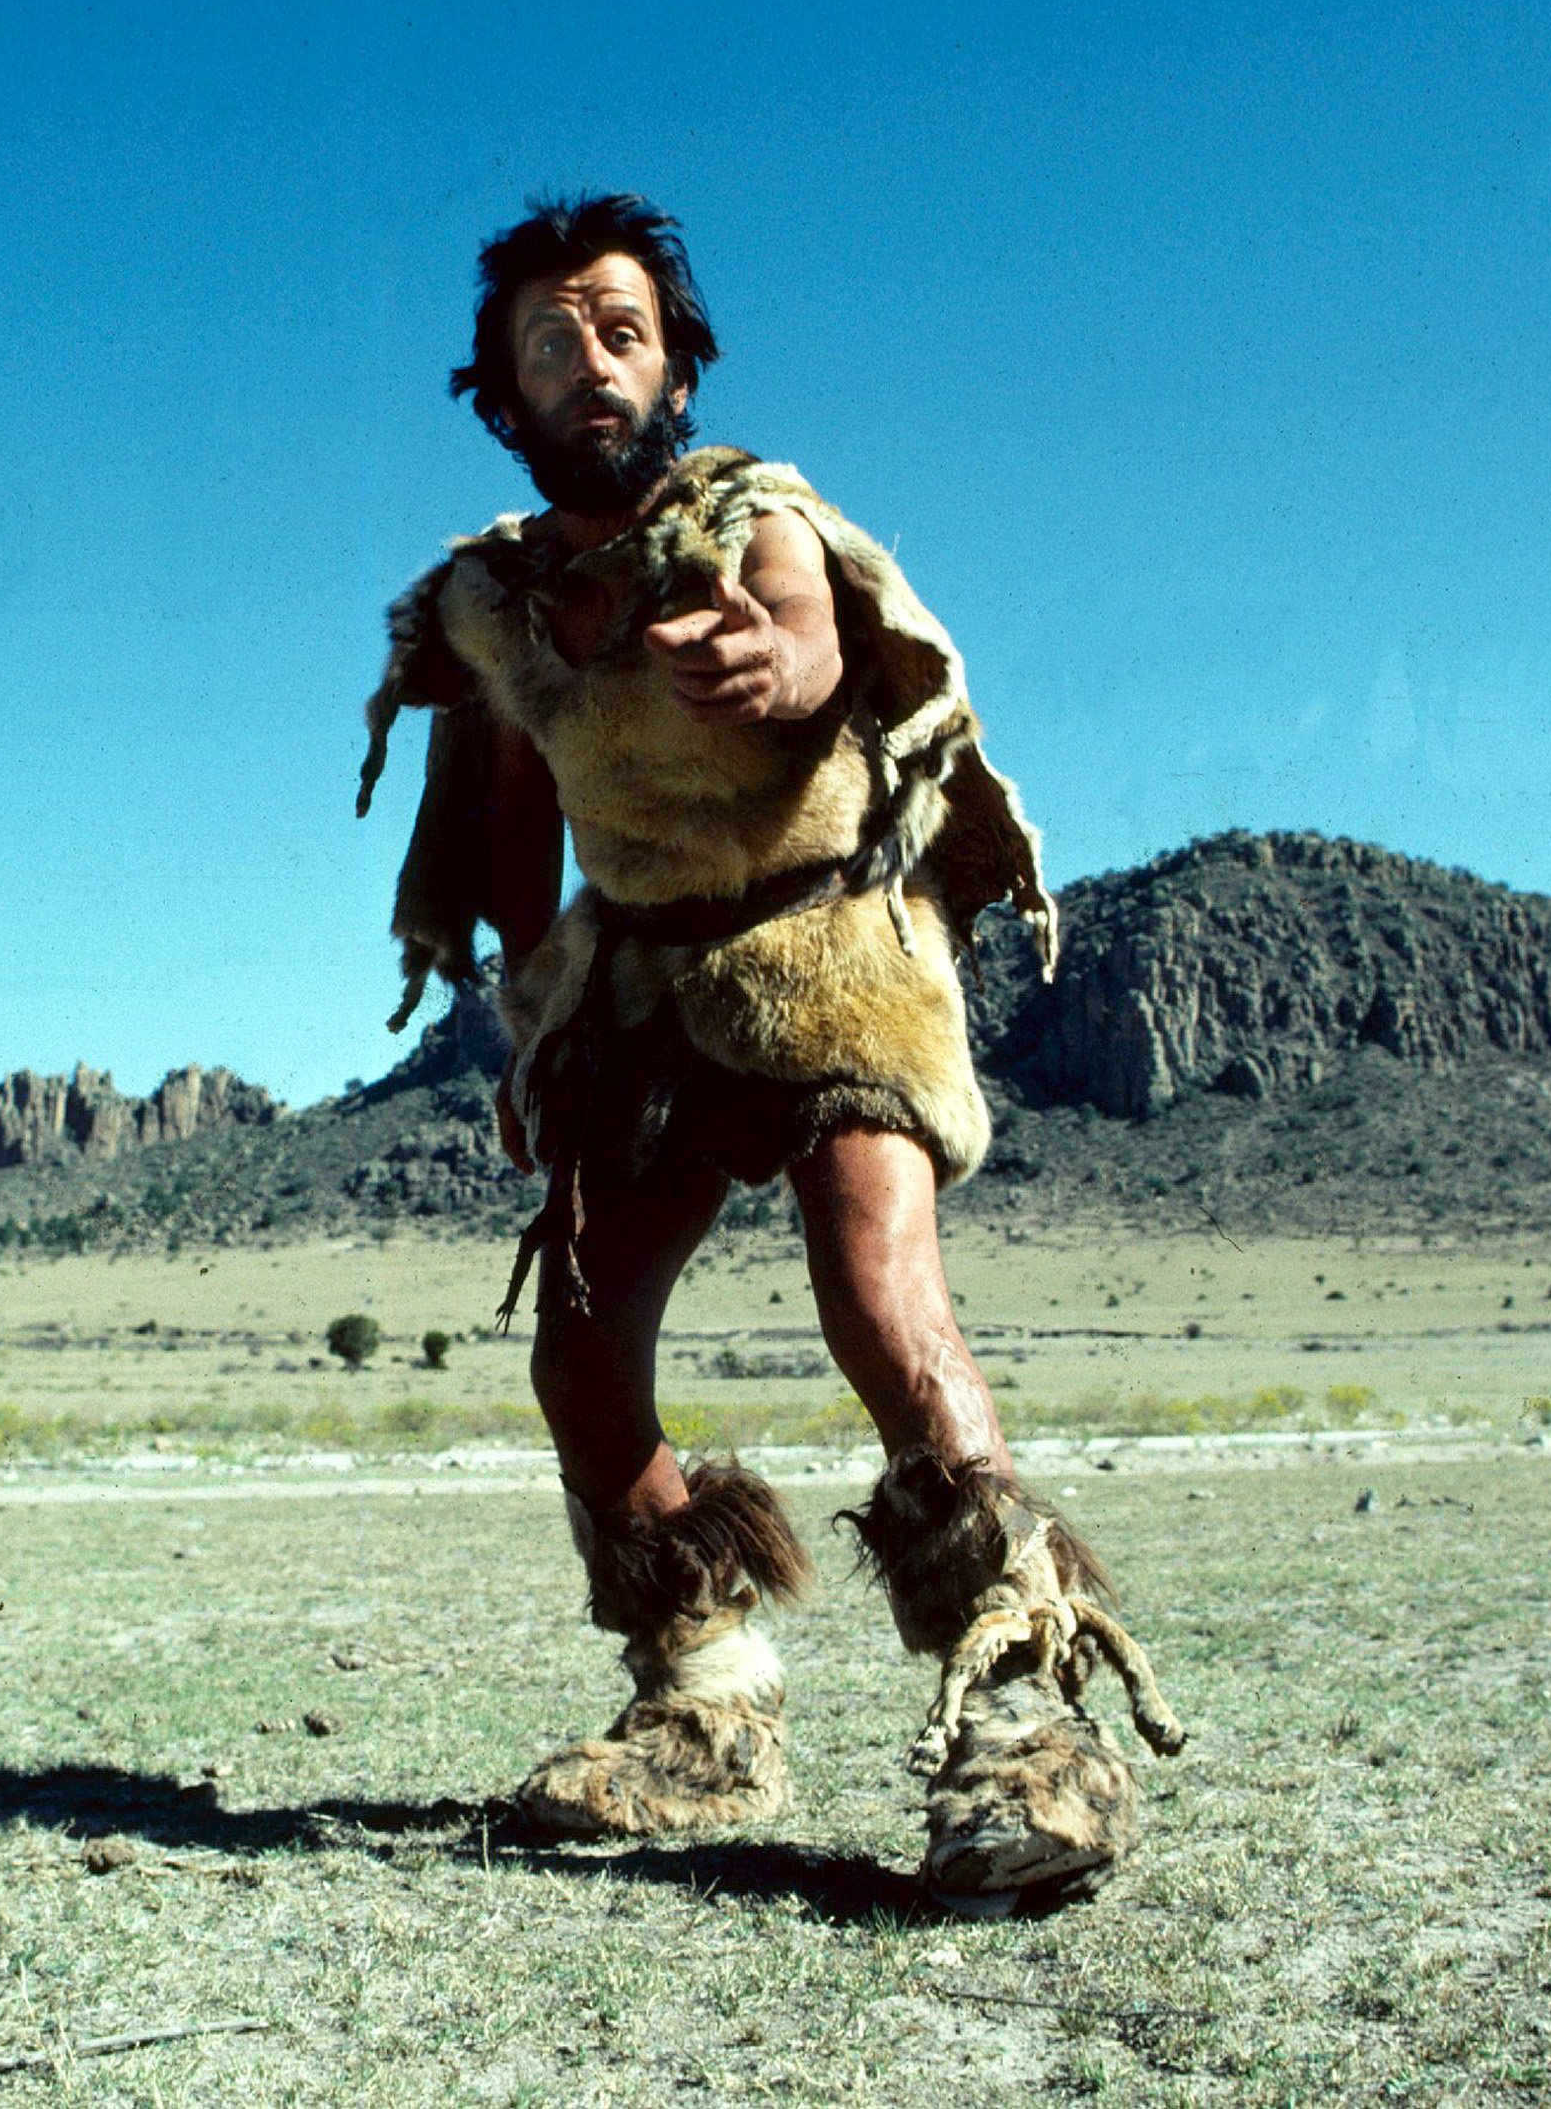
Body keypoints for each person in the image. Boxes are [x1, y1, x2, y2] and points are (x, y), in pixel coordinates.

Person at [359, 193, 1180, 1913]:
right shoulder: (492, 608)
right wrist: (535, 1022)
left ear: (674, 363)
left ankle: (1026, 1721)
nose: (589, 359)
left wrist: (776, 663)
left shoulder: (757, 516)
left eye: (622, 327)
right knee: (581, 1357)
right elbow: (506, 841)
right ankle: (704, 1700)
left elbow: (811, 641)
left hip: (826, 944)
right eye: (547, 337)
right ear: (496, 393)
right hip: (643, 985)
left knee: (879, 1293)